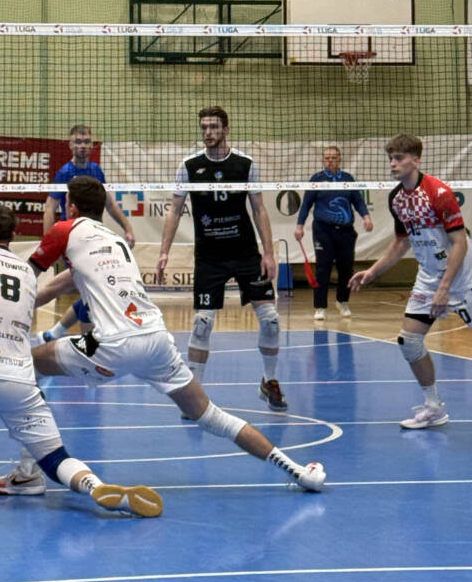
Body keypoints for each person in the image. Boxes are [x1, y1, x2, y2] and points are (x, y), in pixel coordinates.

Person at [0, 177, 325, 497]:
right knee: (210, 415)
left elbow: (24, 279)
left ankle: (28, 471)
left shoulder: (64, 229)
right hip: (157, 340)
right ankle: (298, 471)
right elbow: (55, 288)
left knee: (27, 365)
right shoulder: (115, 241)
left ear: (70, 206)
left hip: (111, 345)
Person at [0, 203, 164, 517]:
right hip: (21, 381)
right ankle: (94, 485)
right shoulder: (26, 274)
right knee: (56, 458)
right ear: (13, 234)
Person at [155, 106, 288, 411]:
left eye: (214, 127)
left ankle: (270, 381)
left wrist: (268, 253)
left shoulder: (245, 164)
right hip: (209, 256)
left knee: (270, 320)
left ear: (227, 130)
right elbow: (174, 210)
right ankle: (195, 396)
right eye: (204, 127)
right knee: (202, 323)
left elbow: (259, 209)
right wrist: (164, 252)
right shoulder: (189, 166)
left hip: (245, 254)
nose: (208, 133)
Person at [349, 134, 472, 429]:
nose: (393, 163)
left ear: (416, 160)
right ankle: (434, 408)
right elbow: (401, 243)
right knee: (409, 341)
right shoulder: (397, 199)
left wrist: (445, 288)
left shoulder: (438, 193)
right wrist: (372, 272)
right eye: (391, 158)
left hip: (463, 276)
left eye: (399, 158)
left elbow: (460, 242)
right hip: (429, 276)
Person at [295, 145, 373, 321]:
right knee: (323, 268)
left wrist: (366, 217)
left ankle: (342, 301)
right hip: (323, 231)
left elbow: (358, 201)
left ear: (340, 159)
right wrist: (299, 226)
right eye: (327, 158)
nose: (330, 161)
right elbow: (306, 205)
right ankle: (320, 307)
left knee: (346, 268)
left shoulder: (348, 179)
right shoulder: (316, 179)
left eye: (334, 158)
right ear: (323, 160)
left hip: (345, 232)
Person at [43, 124, 135, 246]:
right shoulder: (64, 173)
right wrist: (48, 242)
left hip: (94, 235)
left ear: (91, 145)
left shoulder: (96, 170)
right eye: (78, 142)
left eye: (86, 142)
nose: (82, 146)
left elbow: (110, 204)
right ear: (71, 145)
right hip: (70, 236)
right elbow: (49, 209)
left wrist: (128, 229)